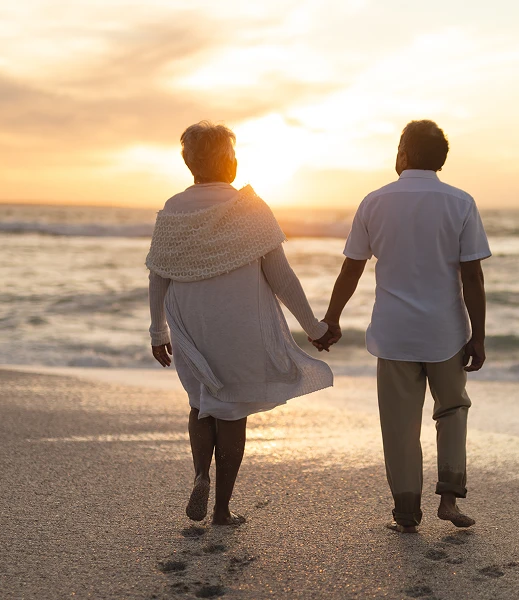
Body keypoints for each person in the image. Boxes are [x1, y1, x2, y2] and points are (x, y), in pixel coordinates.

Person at [147, 121, 337, 526]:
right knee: (232, 412)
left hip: (189, 321)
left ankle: (201, 474)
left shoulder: (174, 207)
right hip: (239, 323)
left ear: (188, 162)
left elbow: (158, 274)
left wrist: (157, 330)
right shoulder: (250, 206)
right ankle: (221, 509)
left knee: (201, 405)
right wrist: (314, 327)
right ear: (230, 161)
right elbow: (281, 276)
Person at [320, 120, 490, 533]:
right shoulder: (460, 202)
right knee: (452, 410)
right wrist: (478, 335)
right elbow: (472, 277)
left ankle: (406, 513)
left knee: (399, 424)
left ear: (403, 154)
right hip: (445, 333)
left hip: (394, 334)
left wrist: (332, 318)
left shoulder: (375, 202)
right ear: (441, 160)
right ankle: (449, 498)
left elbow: (351, 269)